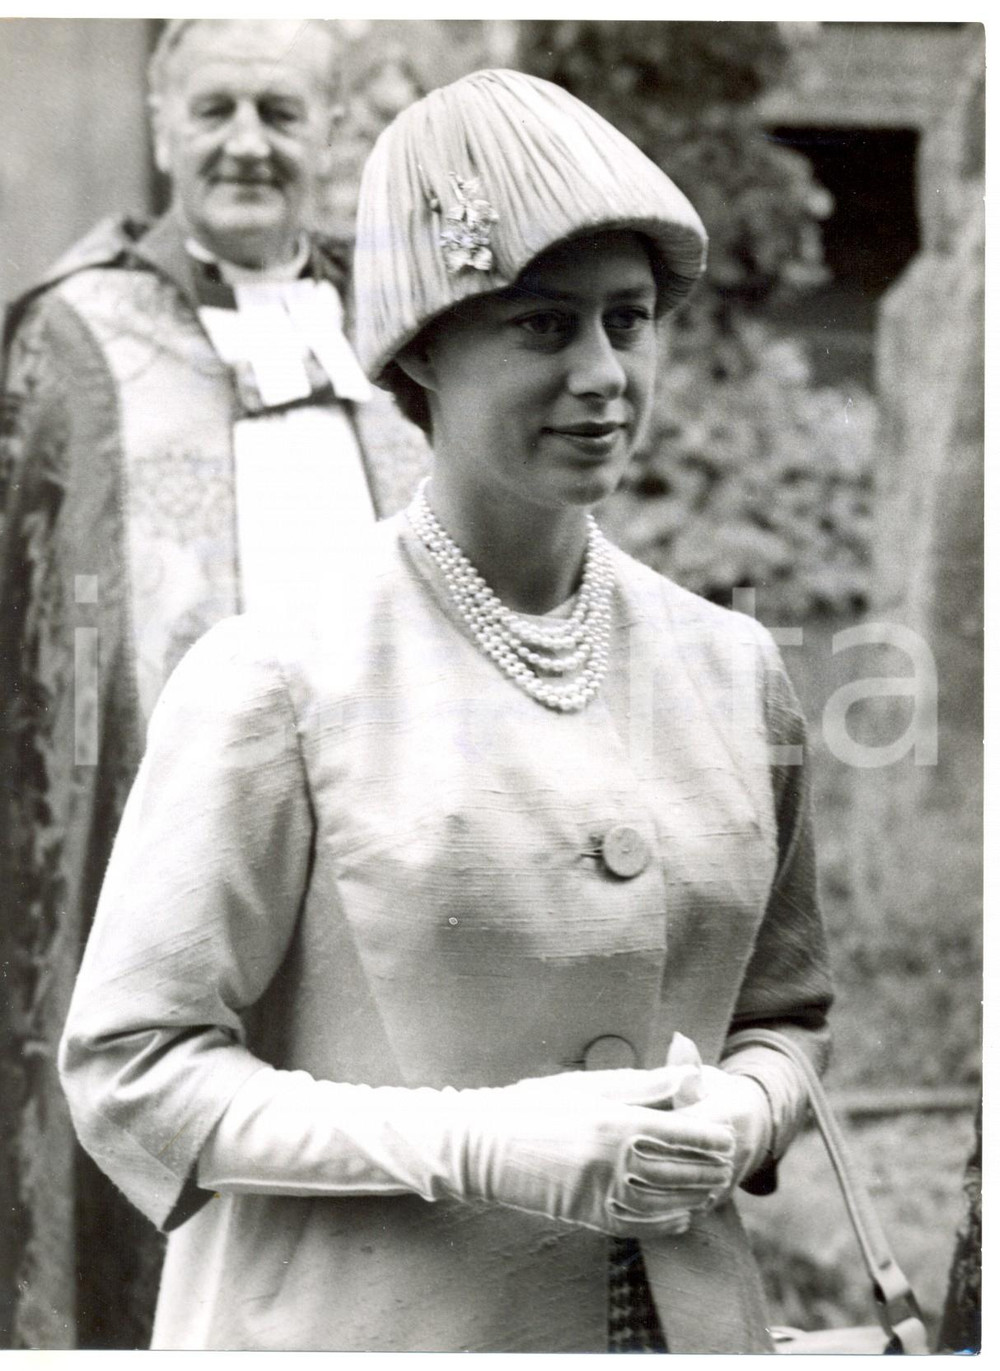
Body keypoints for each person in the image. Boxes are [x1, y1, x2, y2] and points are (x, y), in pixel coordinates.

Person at [59, 69, 833, 1353]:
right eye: (542, 326)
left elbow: (782, 1019)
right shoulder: (276, 678)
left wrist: (744, 1114)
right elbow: (133, 1075)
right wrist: (477, 1142)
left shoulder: (733, 667)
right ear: (422, 344)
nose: (603, 374)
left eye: (628, 321)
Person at [0, 18, 426, 1346]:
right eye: (218, 109)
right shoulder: (68, 338)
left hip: (381, 836)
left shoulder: (405, 331)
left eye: (282, 114)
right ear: (161, 116)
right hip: (149, 844)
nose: (248, 143)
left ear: (331, 130)